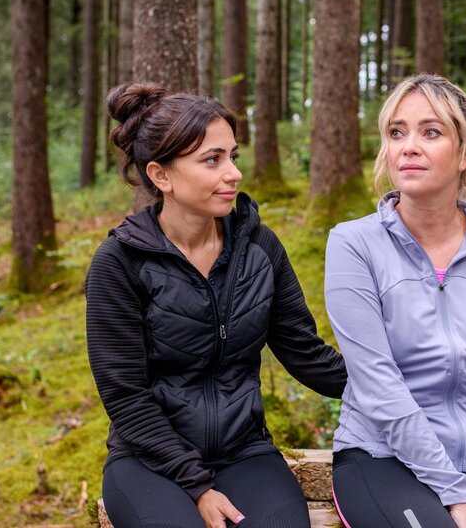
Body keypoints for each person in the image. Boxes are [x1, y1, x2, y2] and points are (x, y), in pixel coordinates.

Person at [86, 83, 347, 528]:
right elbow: (126, 397)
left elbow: (306, 355)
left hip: (245, 452)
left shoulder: (258, 247)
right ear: (161, 175)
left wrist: (412, 390)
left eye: (233, 156)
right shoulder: (120, 263)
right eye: (212, 160)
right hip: (149, 461)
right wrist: (197, 487)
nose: (233, 174)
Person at [324, 74, 466, 528]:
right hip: (381, 455)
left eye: (431, 132)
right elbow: (378, 385)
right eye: (396, 132)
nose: (408, 146)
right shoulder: (353, 244)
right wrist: (455, 493)